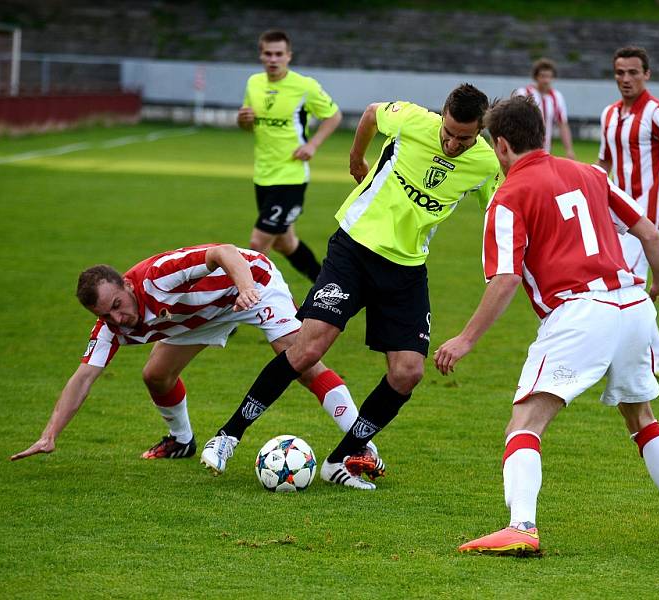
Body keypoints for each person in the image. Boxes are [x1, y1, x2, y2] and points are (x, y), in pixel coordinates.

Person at [434, 96, 659, 555]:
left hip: (581, 313)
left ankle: (521, 527)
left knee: (526, 421)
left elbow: (505, 278)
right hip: (633, 305)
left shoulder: (508, 196)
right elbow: (649, 233)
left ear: (501, 146)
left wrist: (465, 339)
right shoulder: (592, 173)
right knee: (642, 419)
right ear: (540, 133)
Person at [200, 84, 501, 490]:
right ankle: (228, 435)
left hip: (407, 270)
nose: (452, 142)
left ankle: (341, 459)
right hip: (353, 250)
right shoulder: (413, 119)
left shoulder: (484, 162)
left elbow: (501, 208)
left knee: (408, 372)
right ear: (442, 115)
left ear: (480, 131)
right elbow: (373, 113)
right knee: (307, 348)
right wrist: (356, 157)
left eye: (463, 138)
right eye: (448, 131)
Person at [10, 244, 376, 463]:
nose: (117, 318)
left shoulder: (158, 275)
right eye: (105, 314)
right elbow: (83, 378)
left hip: (251, 285)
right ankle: (181, 442)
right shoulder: (111, 327)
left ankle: (363, 446)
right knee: (155, 376)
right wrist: (50, 434)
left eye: (118, 305)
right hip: (199, 318)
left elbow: (224, 252)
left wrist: (245, 288)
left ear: (125, 283)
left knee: (303, 363)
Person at [597, 46, 659, 378]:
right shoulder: (609, 114)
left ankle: (656, 358)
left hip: (646, 217)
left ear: (646, 74)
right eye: (620, 72)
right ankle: (658, 357)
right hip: (615, 214)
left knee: (627, 285)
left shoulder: (657, 112)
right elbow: (604, 162)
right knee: (628, 286)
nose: (625, 79)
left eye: (633, 72)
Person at [237, 29, 343, 282]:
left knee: (258, 242)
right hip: (263, 174)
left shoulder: (304, 86)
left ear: (288, 56)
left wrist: (313, 145)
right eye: (267, 54)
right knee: (285, 243)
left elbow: (334, 115)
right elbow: (248, 125)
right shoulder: (254, 83)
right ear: (261, 56)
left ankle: (243, 308)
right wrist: (243, 120)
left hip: (291, 176)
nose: (273, 59)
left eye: (278, 54)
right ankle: (324, 285)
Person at [515, 58, 575, 159]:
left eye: (549, 77)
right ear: (536, 77)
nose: (546, 80)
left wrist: (569, 150)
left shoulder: (556, 97)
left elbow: (563, 124)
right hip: (524, 148)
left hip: (545, 150)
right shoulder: (524, 93)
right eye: (543, 76)